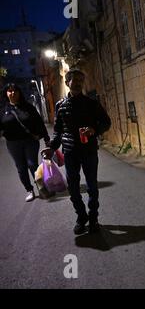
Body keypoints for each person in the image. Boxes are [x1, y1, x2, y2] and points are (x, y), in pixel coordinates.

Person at [42, 69, 111, 235]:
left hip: (88, 150)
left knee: (92, 186)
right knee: (73, 188)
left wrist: (94, 130)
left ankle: (93, 218)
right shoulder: (60, 105)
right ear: (67, 82)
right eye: (75, 80)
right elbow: (58, 131)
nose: (79, 83)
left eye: (81, 80)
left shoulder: (91, 103)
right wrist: (51, 147)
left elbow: (106, 122)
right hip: (70, 151)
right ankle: (81, 217)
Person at [0, 83, 50, 202]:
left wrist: (46, 137)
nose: (12, 93)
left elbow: (39, 122)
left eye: (15, 91)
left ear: (19, 93)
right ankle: (29, 190)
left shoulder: (28, 107)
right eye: (10, 91)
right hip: (13, 143)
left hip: (30, 141)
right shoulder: (3, 110)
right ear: (6, 93)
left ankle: (41, 188)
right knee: (21, 167)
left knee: (32, 164)